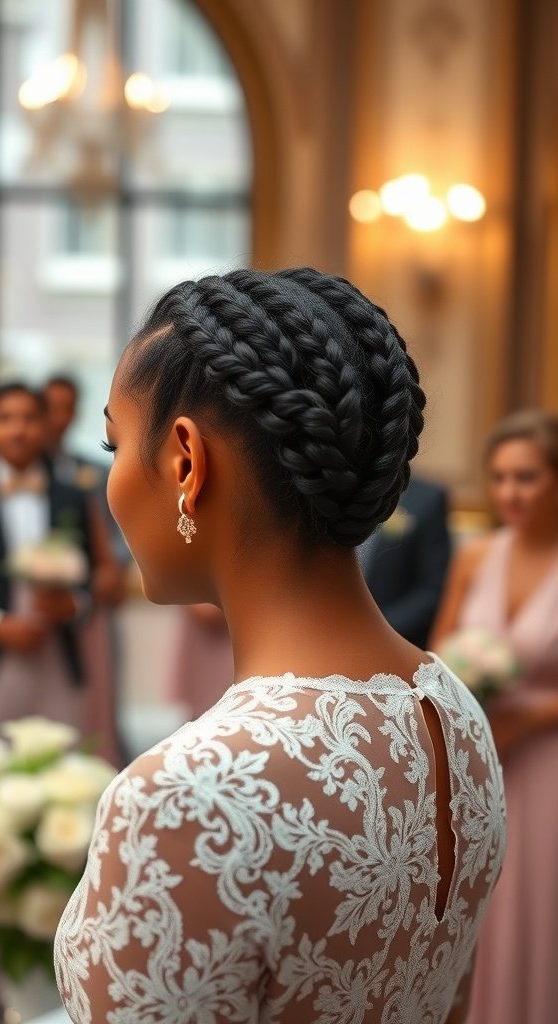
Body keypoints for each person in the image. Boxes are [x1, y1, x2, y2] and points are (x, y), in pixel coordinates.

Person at [54, 268, 505, 1024]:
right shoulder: (455, 714)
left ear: (186, 463)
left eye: (114, 441)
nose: (109, 478)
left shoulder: (185, 796)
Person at [431, 409, 558, 1024]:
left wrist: (529, 720)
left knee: (541, 905)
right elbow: (435, 656)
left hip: (548, 762)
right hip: (481, 762)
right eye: (500, 477)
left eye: (527, 477)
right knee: (481, 899)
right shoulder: (475, 558)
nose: (509, 492)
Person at [0, 382, 95, 1023]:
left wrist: (71, 606)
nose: (21, 429)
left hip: (55, 663)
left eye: (29, 418)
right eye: (7, 418)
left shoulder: (67, 488)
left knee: (62, 800)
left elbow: (94, 585)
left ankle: (56, 976)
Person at [43, 374, 129, 766]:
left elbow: (117, 533)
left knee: (97, 700)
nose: (59, 418)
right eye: (51, 407)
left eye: (68, 407)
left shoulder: (92, 470)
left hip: (91, 605)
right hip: (43, 612)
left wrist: (108, 571)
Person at [358, 475, 451, 647]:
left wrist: (378, 631)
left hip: (396, 640)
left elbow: (432, 588)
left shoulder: (427, 499)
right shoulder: (330, 489)